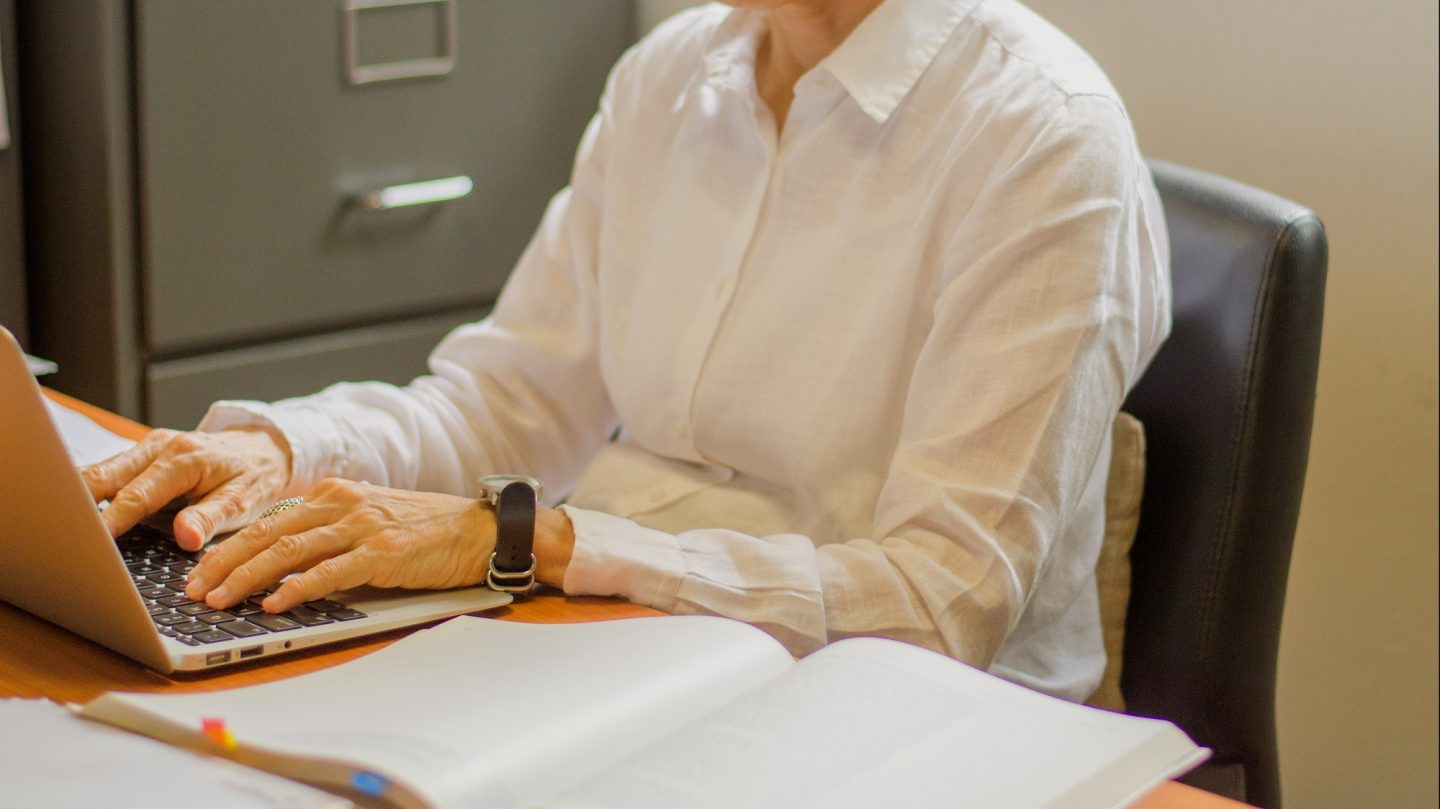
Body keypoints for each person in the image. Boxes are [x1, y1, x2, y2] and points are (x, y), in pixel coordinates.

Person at [82, 0, 1169, 702]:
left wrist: (530, 543)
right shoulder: (670, 76)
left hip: (902, 722)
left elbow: (942, 604)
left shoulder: (1043, 138)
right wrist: (290, 448)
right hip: (627, 653)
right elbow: (508, 402)